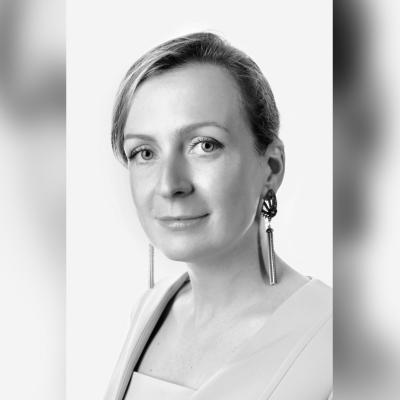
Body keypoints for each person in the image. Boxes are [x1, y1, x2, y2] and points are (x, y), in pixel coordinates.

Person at [105, 32, 332, 400]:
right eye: (145, 152)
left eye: (204, 145)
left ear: (271, 168)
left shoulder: (336, 344)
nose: (169, 184)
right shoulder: (148, 311)